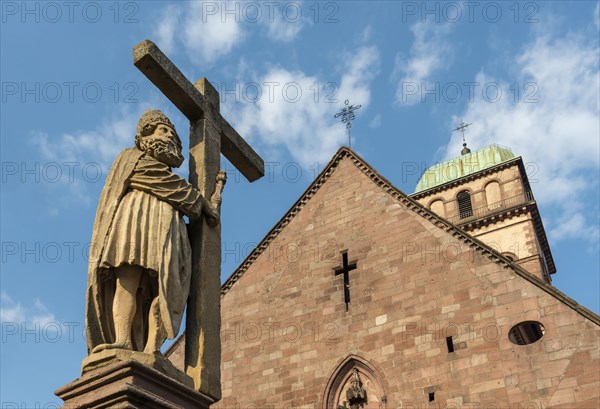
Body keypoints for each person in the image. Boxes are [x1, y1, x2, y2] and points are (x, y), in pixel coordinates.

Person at [85, 109, 218, 355]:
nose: (169, 136)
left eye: (172, 134)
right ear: (146, 135)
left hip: (167, 226)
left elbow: (176, 190)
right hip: (133, 222)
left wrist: (200, 204)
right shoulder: (131, 159)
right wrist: (200, 202)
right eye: (163, 130)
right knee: (126, 280)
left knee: (165, 286)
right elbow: (155, 179)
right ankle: (122, 338)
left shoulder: (172, 181)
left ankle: (152, 348)